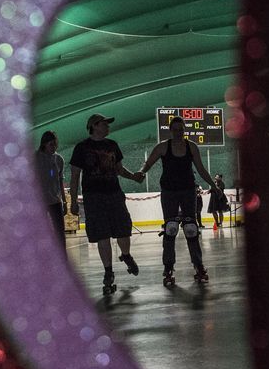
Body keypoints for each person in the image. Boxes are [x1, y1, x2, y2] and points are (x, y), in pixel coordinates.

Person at [135, 116, 221, 286]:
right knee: (170, 228)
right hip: (169, 191)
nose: (178, 133)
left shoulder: (191, 147)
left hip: (188, 190)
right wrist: (141, 172)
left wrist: (214, 186)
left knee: (191, 228)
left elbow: (201, 169)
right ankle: (168, 267)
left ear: (184, 130)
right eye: (175, 130)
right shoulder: (162, 147)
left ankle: (198, 265)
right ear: (170, 130)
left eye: (181, 129)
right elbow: (148, 163)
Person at [68, 114, 140, 295]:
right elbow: (75, 175)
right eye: (104, 124)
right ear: (94, 126)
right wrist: (74, 201)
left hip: (114, 194)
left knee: (124, 228)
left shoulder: (112, 145)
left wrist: (133, 176)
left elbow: (119, 169)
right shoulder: (82, 148)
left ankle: (126, 254)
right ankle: (108, 271)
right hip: (94, 197)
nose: (107, 127)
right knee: (102, 234)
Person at [35, 130, 66, 246]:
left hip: (55, 201)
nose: (54, 147)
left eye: (55, 144)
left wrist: (64, 201)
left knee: (60, 232)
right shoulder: (35, 158)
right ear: (44, 144)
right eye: (51, 144)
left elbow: (60, 181)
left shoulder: (58, 159)